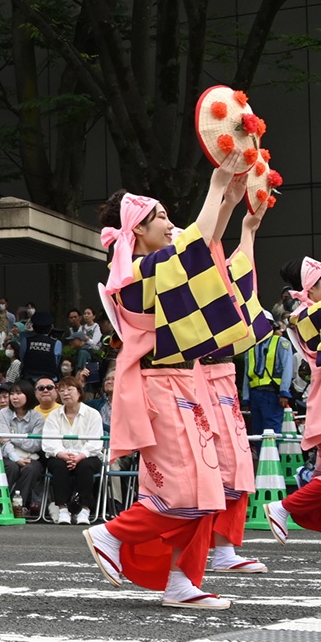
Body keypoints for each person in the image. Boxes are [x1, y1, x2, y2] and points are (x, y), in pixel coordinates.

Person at [84, 169, 247, 610]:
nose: (168, 222)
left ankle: (181, 580)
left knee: (207, 488)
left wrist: (230, 203)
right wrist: (215, 188)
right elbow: (193, 248)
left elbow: (201, 249)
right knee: (180, 491)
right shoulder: (133, 275)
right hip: (159, 388)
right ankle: (112, 532)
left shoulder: (156, 269)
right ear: (137, 228)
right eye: (160, 216)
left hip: (183, 382)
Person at [196, 202, 270, 573]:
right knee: (205, 469)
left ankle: (224, 550)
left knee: (238, 464)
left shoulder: (218, 274)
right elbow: (207, 241)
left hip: (222, 375)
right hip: (194, 378)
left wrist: (249, 228)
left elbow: (240, 267)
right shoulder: (182, 271)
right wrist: (223, 192)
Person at [264, 257, 321, 546]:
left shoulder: (307, 314)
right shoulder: (309, 315)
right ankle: (283, 507)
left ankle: (286, 507)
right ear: (309, 290)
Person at [42, 376, 104, 524]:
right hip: (62, 455)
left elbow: (95, 442)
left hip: (87, 455)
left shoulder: (92, 414)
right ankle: (63, 509)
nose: (65, 393)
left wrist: (80, 456)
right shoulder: (54, 415)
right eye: (61, 390)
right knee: (58, 465)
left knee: (85, 466)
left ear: (79, 392)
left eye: (69, 389)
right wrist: (63, 454)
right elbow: (49, 441)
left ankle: (85, 509)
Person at [0, 379, 46, 516]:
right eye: (12, 393)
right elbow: (3, 442)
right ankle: (2, 504)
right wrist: (16, 458)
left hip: (31, 457)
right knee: (11, 467)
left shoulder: (38, 418)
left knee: (31, 469)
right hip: (8, 455)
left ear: (28, 395)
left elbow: (35, 445)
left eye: (19, 393)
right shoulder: (4, 414)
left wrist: (13, 437)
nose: (14, 397)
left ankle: (17, 506)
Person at [20, 313, 61, 383]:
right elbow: (56, 362)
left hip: (29, 380)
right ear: (50, 328)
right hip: (50, 380)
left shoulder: (26, 341)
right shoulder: (57, 343)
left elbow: (22, 358)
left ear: (33, 327)